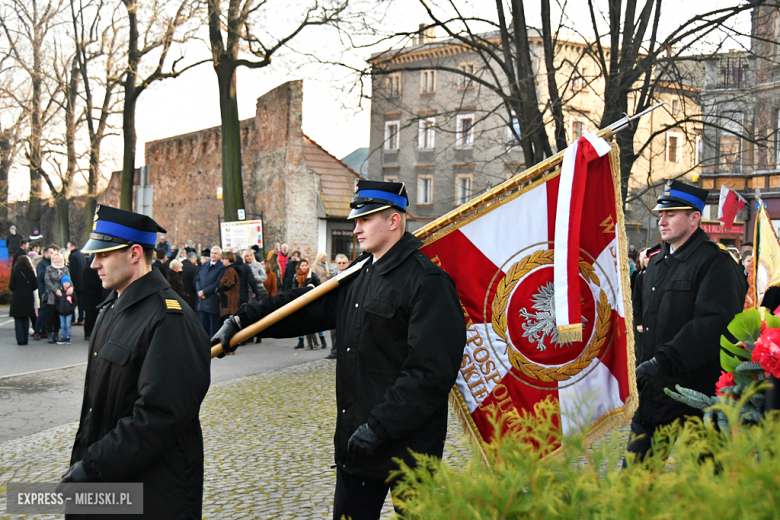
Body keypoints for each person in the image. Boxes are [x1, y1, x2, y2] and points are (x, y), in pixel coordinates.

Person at [211, 180, 466, 520]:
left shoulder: (427, 282)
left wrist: (379, 426)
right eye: (356, 220)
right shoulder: (360, 274)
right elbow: (301, 307)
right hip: (357, 444)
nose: (356, 227)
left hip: (408, 448)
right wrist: (242, 321)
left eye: (365, 219)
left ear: (394, 221)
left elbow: (430, 373)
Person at [60, 205, 211, 520]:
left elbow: (159, 417)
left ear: (134, 253)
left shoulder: (170, 318)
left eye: (103, 254)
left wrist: (91, 469)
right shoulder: (111, 310)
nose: (94, 263)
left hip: (150, 495)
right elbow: (97, 408)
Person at [625, 180, 747, 465]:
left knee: (705, 486)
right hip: (654, 394)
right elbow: (647, 322)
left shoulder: (716, 261)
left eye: (672, 214)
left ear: (694, 219)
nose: (662, 221)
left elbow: (714, 323)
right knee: (635, 482)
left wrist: (662, 362)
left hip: (698, 395)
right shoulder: (655, 264)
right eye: (660, 215)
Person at [292, 258, 325, 350]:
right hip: (300, 301)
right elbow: (293, 289)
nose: (304, 267)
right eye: (302, 265)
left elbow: (319, 286)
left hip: (311, 300)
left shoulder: (312, 275)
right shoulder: (296, 276)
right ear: (299, 266)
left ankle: (322, 341)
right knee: (301, 322)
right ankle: (301, 342)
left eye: (305, 265)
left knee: (314, 322)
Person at [325, 253, 350, 360]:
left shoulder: (352, 274)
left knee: (348, 331)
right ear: (336, 264)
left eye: (343, 263)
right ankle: (334, 351)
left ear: (347, 263)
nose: (341, 265)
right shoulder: (333, 276)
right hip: (336, 306)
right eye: (339, 263)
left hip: (349, 306)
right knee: (334, 330)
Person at [196, 246, 225, 337]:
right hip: (202, 301)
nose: (213, 255)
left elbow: (217, 283)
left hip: (213, 300)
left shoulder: (221, 267)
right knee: (203, 326)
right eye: (212, 253)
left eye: (215, 253)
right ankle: (204, 347)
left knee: (213, 327)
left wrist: (204, 292)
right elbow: (197, 279)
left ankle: (213, 348)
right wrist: (199, 291)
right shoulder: (205, 265)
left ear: (220, 255)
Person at [9, 254, 37, 345]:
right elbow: (35, 285)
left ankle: (20, 339)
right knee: (26, 318)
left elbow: (11, 286)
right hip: (28, 296)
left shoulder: (15, 271)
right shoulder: (31, 271)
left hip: (17, 296)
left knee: (18, 319)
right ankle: (26, 339)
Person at [45, 251, 70, 344]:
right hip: (51, 294)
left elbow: (69, 280)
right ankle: (50, 334)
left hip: (62, 294)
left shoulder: (65, 268)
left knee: (58, 314)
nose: (55, 260)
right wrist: (56, 290)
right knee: (50, 315)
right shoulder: (49, 268)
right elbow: (47, 281)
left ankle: (56, 333)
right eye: (54, 258)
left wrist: (69, 288)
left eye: (57, 258)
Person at [82, 254, 109, 342]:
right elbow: (91, 283)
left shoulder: (90, 269)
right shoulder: (88, 270)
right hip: (90, 296)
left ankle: (92, 333)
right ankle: (88, 333)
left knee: (94, 315)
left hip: (95, 296)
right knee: (90, 316)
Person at [33, 245, 54, 340]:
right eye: (51, 253)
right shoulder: (42, 264)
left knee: (48, 312)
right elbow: (41, 276)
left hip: (52, 290)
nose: (52, 254)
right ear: (46, 254)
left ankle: (45, 330)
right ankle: (37, 331)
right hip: (44, 291)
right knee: (43, 310)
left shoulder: (52, 263)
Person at [67, 241, 86, 325]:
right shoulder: (81, 255)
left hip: (75, 282)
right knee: (81, 301)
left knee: (73, 301)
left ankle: (73, 319)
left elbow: (72, 271)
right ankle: (81, 318)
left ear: (72, 246)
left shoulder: (73, 256)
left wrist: (70, 282)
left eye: (68, 247)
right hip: (82, 281)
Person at [55, 275, 76, 344]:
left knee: (68, 325)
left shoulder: (72, 292)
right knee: (62, 325)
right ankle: (63, 337)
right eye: (65, 282)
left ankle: (68, 337)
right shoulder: (60, 292)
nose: (66, 283)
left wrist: (71, 309)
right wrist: (58, 309)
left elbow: (75, 301)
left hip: (68, 312)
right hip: (61, 311)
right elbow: (57, 301)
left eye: (68, 282)